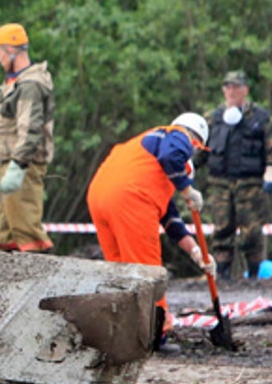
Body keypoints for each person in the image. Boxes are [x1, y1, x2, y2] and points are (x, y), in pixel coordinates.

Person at [87, 113, 215, 353]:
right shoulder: (178, 135)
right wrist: (187, 190)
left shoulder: (145, 158)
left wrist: (196, 252)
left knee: (120, 270)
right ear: (196, 143)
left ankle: (121, 333)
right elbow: (172, 155)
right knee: (147, 270)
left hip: (100, 195)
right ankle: (156, 335)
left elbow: (172, 220)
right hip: (130, 198)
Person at [194, 70, 272, 280]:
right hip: (220, 184)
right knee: (221, 229)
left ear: (246, 90)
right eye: (228, 87)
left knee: (252, 232)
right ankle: (223, 274)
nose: (232, 91)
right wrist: (187, 168)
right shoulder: (213, 118)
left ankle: (254, 275)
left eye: (236, 87)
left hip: (250, 184)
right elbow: (200, 149)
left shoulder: (261, 117)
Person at [0, 23, 55, 253]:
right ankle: (8, 284)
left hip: (22, 166)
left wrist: (18, 166)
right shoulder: (15, 83)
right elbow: (9, 119)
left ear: (11, 51)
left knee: (28, 233)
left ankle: (41, 283)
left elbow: (29, 129)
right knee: (4, 233)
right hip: (8, 163)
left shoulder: (31, 85)